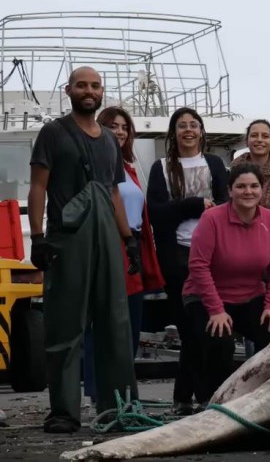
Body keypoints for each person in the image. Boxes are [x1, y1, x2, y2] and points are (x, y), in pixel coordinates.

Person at [27, 66, 139, 433]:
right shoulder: (53, 133)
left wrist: (128, 239)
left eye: (94, 85)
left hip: (107, 236)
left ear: (101, 91)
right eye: (82, 85)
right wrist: (38, 237)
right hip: (68, 237)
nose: (88, 91)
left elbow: (113, 192)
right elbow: (38, 187)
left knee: (115, 324)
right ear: (69, 89)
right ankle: (63, 411)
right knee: (64, 326)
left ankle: (118, 407)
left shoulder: (109, 139)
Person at [182, 163, 270, 408]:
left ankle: (265, 397)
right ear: (230, 190)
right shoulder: (212, 219)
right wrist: (217, 310)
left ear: (261, 190)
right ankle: (215, 401)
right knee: (221, 339)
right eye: (240, 186)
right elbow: (198, 266)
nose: (247, 191)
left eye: (254, 186)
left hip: (249, 294)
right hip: (205, 296)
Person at [147, 107, 229, 416]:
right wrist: (193, 205)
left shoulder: (215, 164)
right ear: (173, 133)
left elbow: (226, 205)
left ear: (202, 132)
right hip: (178, 256)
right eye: (182, 126)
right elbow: (156, 213)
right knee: (190, 328)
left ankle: (190, 395)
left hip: (213, 255)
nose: (188, 130)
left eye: (194, 125)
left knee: (211, 328)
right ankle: (196, 396)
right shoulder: (161, 168)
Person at [82, 107, 166, 406]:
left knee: (130, 323)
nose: (119, 131)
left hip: (133, 247)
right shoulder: (92, 164)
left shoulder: (129, 167)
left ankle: (125, 393)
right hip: (106, 246)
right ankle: (99, 395)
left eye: (124, 127)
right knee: (103, 325)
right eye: (113, 126)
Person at [231, 119, 270, 319]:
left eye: (265, 136)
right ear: (247, 140)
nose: (259, 140)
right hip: (244, 255)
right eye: (254, 135)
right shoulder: (233, 172)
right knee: (250, 317)